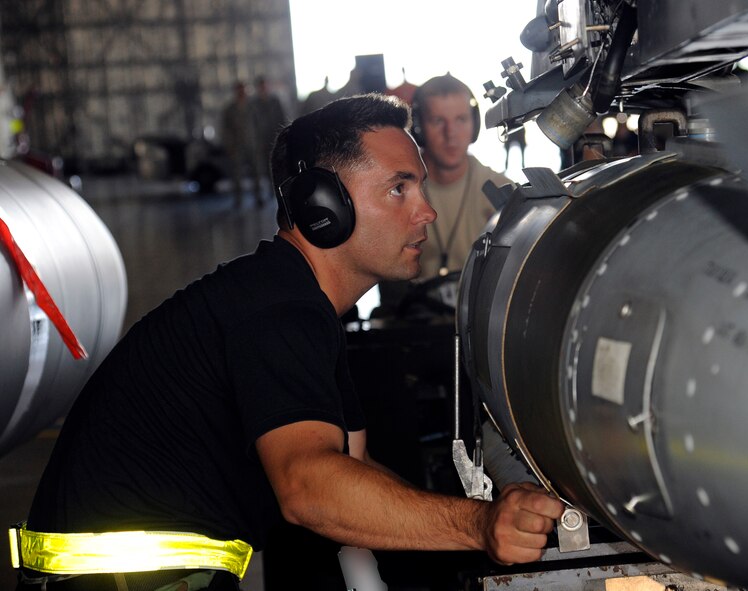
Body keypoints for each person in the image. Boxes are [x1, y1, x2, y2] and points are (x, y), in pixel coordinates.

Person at [11, 93, 564, 591]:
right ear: (322, 205)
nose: (427, 211)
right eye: (399, 187)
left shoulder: (300, 304)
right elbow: (310, 488)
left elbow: (352, 463)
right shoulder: (278, 310)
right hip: (116, 580)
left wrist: (485, 515)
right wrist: (478, 526)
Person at [411, 74, 513, 280]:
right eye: (438, 121)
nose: (451, 134)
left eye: (461, 119)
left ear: (474, 125)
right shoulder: (398, 192)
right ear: (418, 128)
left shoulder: (501, 192)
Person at [220, 80, 263, 208]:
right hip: (237, 146)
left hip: (252, 144)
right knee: (237, 175)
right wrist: (229, 145)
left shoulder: (252, 107)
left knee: (256, 173)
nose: (242, 92)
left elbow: (258, 126)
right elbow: (225, 129)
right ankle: (238, 200)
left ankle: (258, 197)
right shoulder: (230, 109)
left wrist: (259, 142)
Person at [251, 75, 287, 202]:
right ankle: (261, 195)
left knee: (276, 167)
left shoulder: (274, 101)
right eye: (261, 86)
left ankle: (277, 192)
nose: (263, 88)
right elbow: (253, 123)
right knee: (260, 169)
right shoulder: (254, 104)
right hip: (260, 141)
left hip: (274, 139)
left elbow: (282, 118)